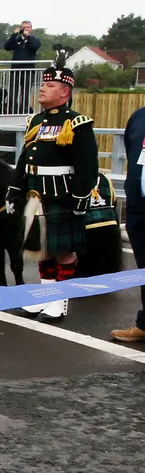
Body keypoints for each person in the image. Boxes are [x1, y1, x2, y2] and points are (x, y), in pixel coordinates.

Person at [5, 50, 98, 322]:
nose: (43, 88)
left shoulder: (76, 123)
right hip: (37, 194)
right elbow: (25, 159)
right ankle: (46, 298)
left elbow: (87, 166)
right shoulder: (35, 121)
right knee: (43, 249)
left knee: (63, 251)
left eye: (50, 85)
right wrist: (15, 189)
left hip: (62, 194)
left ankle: (60, 302)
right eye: (43, 84)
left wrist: (80, 198)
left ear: (65, 92)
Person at [111, 106, 145, 343]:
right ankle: (144, 324)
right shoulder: (139, 116)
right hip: (139, 206)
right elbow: (131, 151)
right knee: (143, 268)